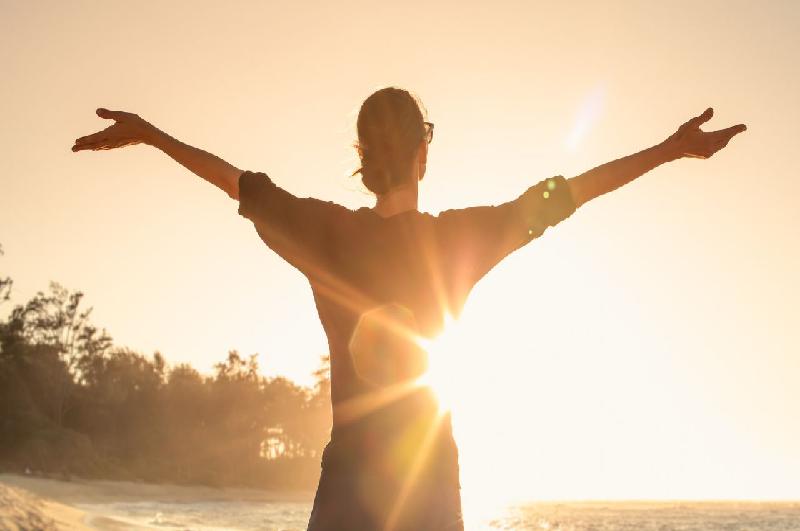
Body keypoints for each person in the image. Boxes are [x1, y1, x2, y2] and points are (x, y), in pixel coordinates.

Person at [72, 87, 746, 530]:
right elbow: (569, 194)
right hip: (428, 487)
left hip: (346, 490)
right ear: (424, 153)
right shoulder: (458, 239)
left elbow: (236, 182)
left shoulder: (325, 232)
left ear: (363, 159)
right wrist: (670, 149)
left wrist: (152, 135)